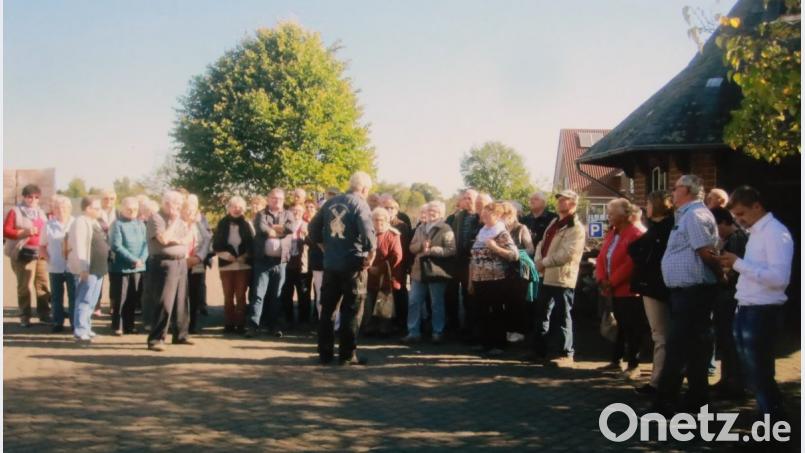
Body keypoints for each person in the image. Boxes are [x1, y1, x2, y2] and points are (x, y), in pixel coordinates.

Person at [719, 186, 794, 421]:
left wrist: (738, 264)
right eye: (735, 216)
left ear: (757, 206)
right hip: (747, 306)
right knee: (752, 371)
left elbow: (778, 278)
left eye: (741, 214)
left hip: (762, 309)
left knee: (760, 371)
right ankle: (768, 415)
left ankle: (774, 419)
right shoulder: (756, 233)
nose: (738, 221)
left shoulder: (775, 233)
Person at [655, 175, 722, 415]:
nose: (672, 192)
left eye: (676, 188)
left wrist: (721, 276)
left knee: (678, 348)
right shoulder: (686, 216)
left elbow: (705, 252)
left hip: (694, 292)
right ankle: (696, 400)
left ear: (689, 190)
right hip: (685, 293)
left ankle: (665, 402)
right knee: (695, 349)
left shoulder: (694, 216)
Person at [308, 171, 377, 365]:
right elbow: (367, 231)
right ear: (363, 188)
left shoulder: (330, 202)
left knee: (328, 309)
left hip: (330, 265)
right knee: (352, 310)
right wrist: (372, 254)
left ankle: (325, 353)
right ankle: (347, 356)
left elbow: (312, 228)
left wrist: (323, 246)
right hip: (353, 266)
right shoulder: (360, 204)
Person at [627, 191, 674, 395]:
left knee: (661, 335)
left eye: (647, 202)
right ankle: (660, 380)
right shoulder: (659, 228)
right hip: (655, 285)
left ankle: (658, 382)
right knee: (661, 335)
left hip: (656, 286)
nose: (645, 207)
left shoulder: (663, 229)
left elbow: (637, 249)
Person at [533, 189, 586, 368]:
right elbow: (542, 243)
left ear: (573, 203)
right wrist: (538, 261)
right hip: (546, 275)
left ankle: (566, 354)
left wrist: (543, 262)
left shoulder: (576, 228)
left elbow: (567, 254)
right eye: (559, 199)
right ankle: (539, 351)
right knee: (541, 314)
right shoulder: (554, 222)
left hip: (562, 278)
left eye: (565, 200)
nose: (560, 202)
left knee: (563, 315)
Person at [595, 199, 646, 379]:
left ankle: (633, 365)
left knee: (632, 328)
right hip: (613, 289)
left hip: (629, 290)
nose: (608, 216)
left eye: (612, 212)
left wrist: (612, 281)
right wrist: (602, 278)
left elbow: (631, 263)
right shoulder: (613, 233)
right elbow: (602, 257)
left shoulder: (636, 233)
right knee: (620, 327)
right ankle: (615, 361)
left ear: (625, 215)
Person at [146, 190, 194, 351]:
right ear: (167, 203)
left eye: (181, 205)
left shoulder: (179, 219)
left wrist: (177, 239)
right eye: (177, 204)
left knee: (182, 300)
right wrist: (173, 223)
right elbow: (163, 239)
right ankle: (156, 339)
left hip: (180, 262)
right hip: (163, 264)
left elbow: (188, 238)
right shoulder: (156, 218)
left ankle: (181, 335)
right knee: (164, 302)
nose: (179, 208)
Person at [710, 206, 748, 399]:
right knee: (724, 339)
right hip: (725, 295)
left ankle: (735, 383)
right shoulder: (729, 239)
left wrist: (722, 273)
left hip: (731, 295)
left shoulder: (737, 239)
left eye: (717, 226)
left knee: (730, 340)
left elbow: (734, 269)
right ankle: (726, 379)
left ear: (725, 222)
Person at [469, 202, 518, 355]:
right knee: (482, 311)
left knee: (496, 312)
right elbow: (473, 257)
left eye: (487, 213)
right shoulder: (482, 232)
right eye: (482, 213)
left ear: (497, 215)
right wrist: (470, 280)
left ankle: (498, 345)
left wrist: (495, 248)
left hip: (496, 279)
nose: (483, 215)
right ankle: (485, 343)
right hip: (479, 279)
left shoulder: (501, 233)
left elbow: (514, 255)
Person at [405, 201, 456, 344]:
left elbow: (452, 250)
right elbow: (411, 247)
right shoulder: (420, 228)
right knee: (414, 301)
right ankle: (413, 332)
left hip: (435, 271)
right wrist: (421, 246)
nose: (431, 213)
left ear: (441, 213)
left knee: (436, 303)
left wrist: (432, 250)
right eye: (429, 210)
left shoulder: (446, 229)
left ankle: (437, 332)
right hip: (418, 270)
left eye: (434, 210)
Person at [247, 188, 294, 338]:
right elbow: (261, 229)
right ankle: (253, 326)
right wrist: (278, 231)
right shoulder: (261, 214)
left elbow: (291, 228)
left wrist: (275, 228)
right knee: (258, 294)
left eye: (280, 198)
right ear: (268, 199)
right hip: (263, 261)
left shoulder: (288, 214)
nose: (277, 201)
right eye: (274, 198)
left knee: (277, 295)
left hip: (280, 262)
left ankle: (274, 326)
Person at [4, 183, 51, 327]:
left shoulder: (41, 212)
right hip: (23, 253)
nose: (33, 200)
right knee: (24, 286)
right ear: (24, 197)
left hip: (40, 253)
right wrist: (25, 232)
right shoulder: (15, 211)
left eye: (36, 197)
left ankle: (44, 314)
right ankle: (25, 316)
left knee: (42, 284)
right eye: (30, 197)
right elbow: (5, 231)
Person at [67, 196, 109, 343]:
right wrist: (83, 267)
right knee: (84, 298)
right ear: (87, 209)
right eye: (96, 208)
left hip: (99, 267)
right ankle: (79, 330)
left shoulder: (95, 222)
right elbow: (79, 246)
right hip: (88, 267)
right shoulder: (80, 222)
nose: (99, 211)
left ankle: (87, 327)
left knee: (92, 300)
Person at [213, 196, 254, 334]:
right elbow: (216, 245)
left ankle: (241, 324)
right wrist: (227, 256)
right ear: (229, 208)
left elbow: (252, 244)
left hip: (243, 265)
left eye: (240, 207)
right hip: (226, 264)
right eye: (234, 206)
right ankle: (229, 323)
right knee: (228, 295)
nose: (237, 209)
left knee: (241, 295)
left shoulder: (247, 224)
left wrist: (245, 256)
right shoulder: (222, 223)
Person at [108, 197, 148, 335]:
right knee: (120, 298)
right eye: (129, 209)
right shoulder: (117, 224)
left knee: (133, 297)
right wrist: (133, 259)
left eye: (135, 209)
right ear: (122, 208)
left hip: (138, 267)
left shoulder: (141, 224)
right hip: (121, 268)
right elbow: (116, 245)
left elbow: (146, 244)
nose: (132, 212)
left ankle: (129, 325)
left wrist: (141, 259)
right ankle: (117, 326)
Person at [444, 189, 480, 339]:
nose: (467, 200)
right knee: (450, 293)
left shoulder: (480, 217)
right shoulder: (456, 217)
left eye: (470, 198)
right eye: (465, 198)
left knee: (469, 295)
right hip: (456, 261)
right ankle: (453, 325)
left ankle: (469, 328)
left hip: (471, 262)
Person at [362, 207, 403, 336]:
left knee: (384, 302)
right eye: (375, 220)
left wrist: (380, 269)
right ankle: (368, 328)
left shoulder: (393, 235)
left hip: (385, 276)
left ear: (386, 220)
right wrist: (367, 267)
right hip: (367, 273)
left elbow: (397, 256)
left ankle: (384, 329)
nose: (378, 223)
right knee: (368, 302)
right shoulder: (367, 233)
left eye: (381, 220)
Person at [40, 195, 75, 332]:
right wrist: (49, 259)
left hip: (73, 267)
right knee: (56, 297)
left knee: (74, 296)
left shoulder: (75, 223)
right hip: (55, 267)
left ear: (70, 209)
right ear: (53, 210)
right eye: (57, 208)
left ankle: (74, 322)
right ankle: (57, 322)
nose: (61, 210)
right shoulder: (48, 225)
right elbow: (42, 246)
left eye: (64, 207)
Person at [501, 202, 534, 343]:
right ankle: (508, 330)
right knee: (505, 302)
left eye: (503, 214)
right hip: (502, 270)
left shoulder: (521, 228)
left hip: (518, 270)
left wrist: (515, 253)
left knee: (517, 302)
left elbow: (530, 249)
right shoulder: (499, 229)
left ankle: (519, 331)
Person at [381, 195, 413, 333]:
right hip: (383, 263)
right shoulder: (380, 222)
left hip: (398, 264)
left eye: (391, 207)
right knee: (385, 293)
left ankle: (401, 321)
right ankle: (387, 321)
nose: (388, 210)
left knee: (399, 292)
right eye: (385, 207)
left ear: (396, 210)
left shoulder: (401, 225)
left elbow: (403, 247)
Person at [280, 203, 312, 328]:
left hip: (302, 265)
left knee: (304, 294)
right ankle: (288, 320)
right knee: (286, 293)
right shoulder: (285, 226)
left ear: (303, 212)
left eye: (299, 210)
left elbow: (313, 243)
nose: (296, 213)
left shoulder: (308, 226)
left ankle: (304, 321)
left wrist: (306, 236)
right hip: (287, 264)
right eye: (293, 211)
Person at [184, 194, 212, 333]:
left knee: (194, 295)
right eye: (187, 209)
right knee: (181, 295)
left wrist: (199, 257)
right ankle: (179, 324)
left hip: (197, 263)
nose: (190, 212)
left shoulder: (199, 224)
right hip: (181, 262)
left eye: (193, 209)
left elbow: (207, 240)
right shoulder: (178, 223)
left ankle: (193, 324)